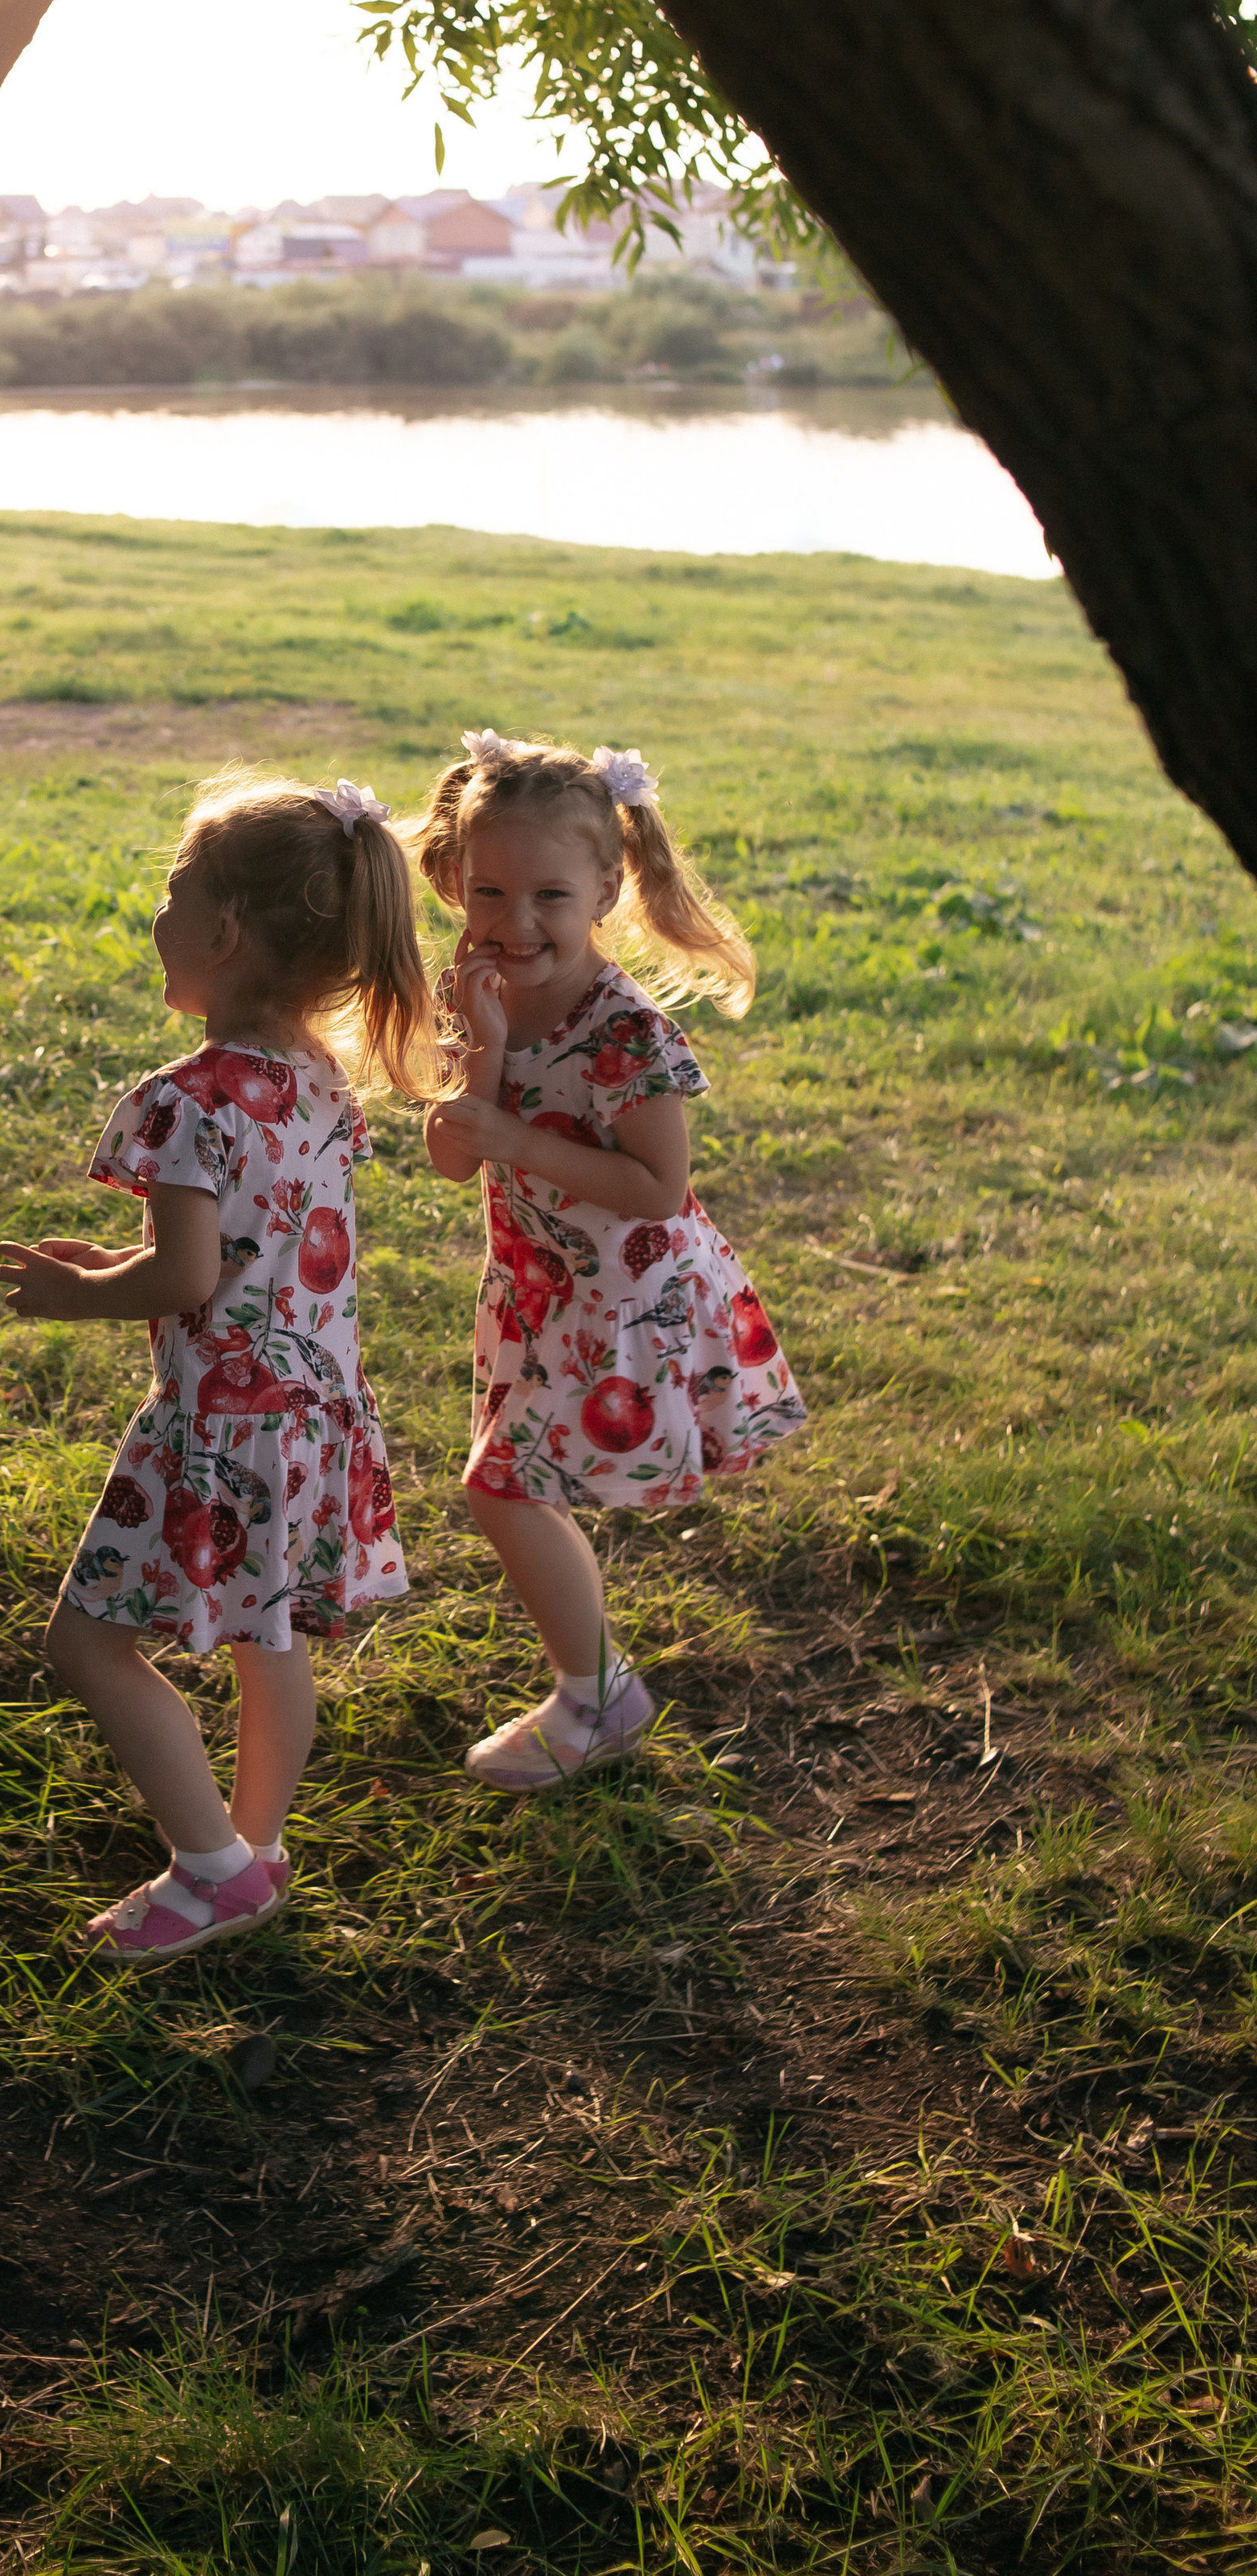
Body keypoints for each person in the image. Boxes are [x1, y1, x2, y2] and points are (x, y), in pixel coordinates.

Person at [0, 770, 438, 1966]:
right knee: (270, 1636)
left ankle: (210, 1869)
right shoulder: (318, 1077)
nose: (158, 919)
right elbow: (248, 1243)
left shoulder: (186, 1101)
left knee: (84, 1645)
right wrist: (132, 1256)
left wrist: (79, 1290)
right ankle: (254, 1848)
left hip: (217, 1426)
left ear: (226, 933)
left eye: (172, 895)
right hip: (309, 1417)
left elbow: (189, 1280)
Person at [416, 728, 805, 1792]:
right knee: (510, 1481)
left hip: (626, 1293)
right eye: (489, 891)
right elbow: (454, 1153)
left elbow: (659, 1188)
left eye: (548, 895)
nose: (516, 921)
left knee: (500, 1488)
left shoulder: (625, 1033)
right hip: (544, 1284)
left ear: (605, 885)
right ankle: (595, 1688)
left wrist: (516, 1142)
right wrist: (484, 1051)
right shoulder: (478, 987)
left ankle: (599, 1699)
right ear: (453, 878)